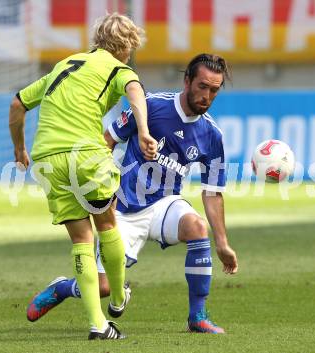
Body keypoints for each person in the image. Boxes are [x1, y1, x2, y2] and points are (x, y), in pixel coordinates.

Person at [26, 54, 238, 334]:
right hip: (123, 209)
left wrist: (222, 243)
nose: (207, 95)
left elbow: (212, 193)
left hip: (164, 204)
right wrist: (99, 184)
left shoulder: (212, 134)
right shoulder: (151, 106)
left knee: (197, 227)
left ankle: (197, 317)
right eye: (202, 86)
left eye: (214, 90)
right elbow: (107, 141)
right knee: (103, 287)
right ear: (187, 80)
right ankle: (64, 288)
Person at [9, 13, 157, 340]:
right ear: (128, 46)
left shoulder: (65, 64)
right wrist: (144, 130)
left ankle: (99, 325)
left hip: (47, 158)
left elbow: (18, 104)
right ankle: (118, 298)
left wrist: (20, 149)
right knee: (107, 224)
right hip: (86, 156)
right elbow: (135, 91)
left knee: (81, 240)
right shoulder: (119, 69)